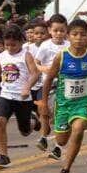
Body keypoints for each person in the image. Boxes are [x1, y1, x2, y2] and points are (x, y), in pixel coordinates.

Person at [41, 18, 87, 173]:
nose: (79, 38)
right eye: (75, 34)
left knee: (78, 129)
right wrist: (43, 104)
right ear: (69, 36)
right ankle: (63, 134)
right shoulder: (61, 57)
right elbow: (48, 80)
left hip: (83, 104)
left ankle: (66, 170)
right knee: (62, 140)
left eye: (83, 35)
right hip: (63, 105)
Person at [0, 25, 40, 169]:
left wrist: (27, 87)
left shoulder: (25, 55)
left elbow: (35, 73)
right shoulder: (2, 56)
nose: (10, 48)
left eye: (13, 45)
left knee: (25, 131)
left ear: (21, 42)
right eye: (7, 44)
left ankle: (34, 122)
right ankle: (3, 156)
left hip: (22, 98)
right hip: (6, 95)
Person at [34, 13, 69, 160]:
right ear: (50, 30)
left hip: (63, 86)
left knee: (57, 115)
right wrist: (46, 70)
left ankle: (58, 146)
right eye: (56, 30)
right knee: (44, 112)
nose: (59, 34)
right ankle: (43, 136)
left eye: (62, 30)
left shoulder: (69, 46)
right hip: (46, 84)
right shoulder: (45, 46)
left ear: (66, 31)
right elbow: (36, 63)